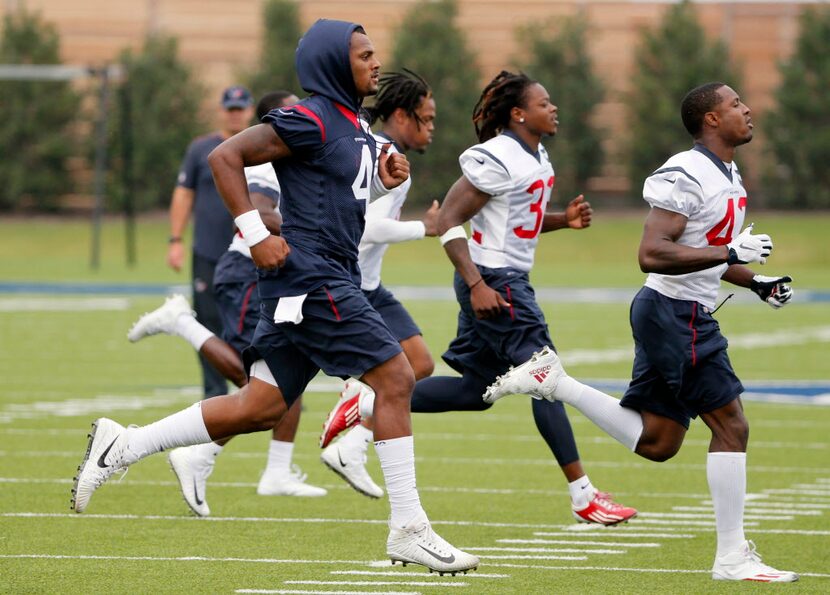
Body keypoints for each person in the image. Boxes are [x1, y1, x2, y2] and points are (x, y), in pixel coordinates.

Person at [71, 19, 478, 575]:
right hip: (313, 279)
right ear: (335, 64)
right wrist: (258, 236)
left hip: (319, 277)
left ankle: (122, 445)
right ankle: (409, 528)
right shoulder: (309, 114)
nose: (375, 63)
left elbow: (335, 197)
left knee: (260, 407)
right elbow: (225, 158)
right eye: (364, 55)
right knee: (398, 376)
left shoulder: (354, 125)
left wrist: (382, 179)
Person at [484, 82, 797, 582]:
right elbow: (652, 253)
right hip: (674, 314)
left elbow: (705, 251)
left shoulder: (726, 172)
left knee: (658, 441)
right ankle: (732, 557)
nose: (748, 108)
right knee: (731, 426)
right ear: (711, 120)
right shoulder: (689, 172)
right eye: (736, 103)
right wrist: (731, 254)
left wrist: (755, 280)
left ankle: (555, 383)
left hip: (672, 313)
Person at [334, 70, 636, 526]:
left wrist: (561, 220)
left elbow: (513, 217)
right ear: (518, 114)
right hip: (496, 281)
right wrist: (476, 284)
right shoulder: (496, 155)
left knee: (476, 392)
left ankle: (367, 405)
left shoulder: (534, 153)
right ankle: (583, 495)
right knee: (546, 376)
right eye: (543, 102)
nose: (552, 108)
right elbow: (452, 222)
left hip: (501, 278)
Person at [126, 91, 326, 517]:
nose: (307, 114)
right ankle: (183, 324)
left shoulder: (310, 153)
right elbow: (257, 207)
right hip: (248, 272)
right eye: (295, 108)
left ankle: (273, 471)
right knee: (256, 384)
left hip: (280, 273)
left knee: (286, 377)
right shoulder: (268, 156)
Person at [318, 69, 439, 500]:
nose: (431, 129)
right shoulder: (389, 161)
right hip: (349, 282)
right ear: (403, 116)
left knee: (418, 364)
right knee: (269, 395)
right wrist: (425, 228)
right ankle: (198, 453)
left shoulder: (380, 150)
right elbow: (367, 228)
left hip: (367, 281)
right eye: (426, 119)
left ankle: (352, 443)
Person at [167, 85, 256, 400]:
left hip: (249, 254)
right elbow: (184, 193)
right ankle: (214, 391)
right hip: (208, 251)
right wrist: (175, 239)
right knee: (206, 323)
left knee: (254, 323)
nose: (235, 114)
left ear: (249, 109)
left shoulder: (259, 146)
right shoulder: (200, 148)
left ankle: (262, 390)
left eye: (240, 108)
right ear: (222, 111)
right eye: (230, 109)